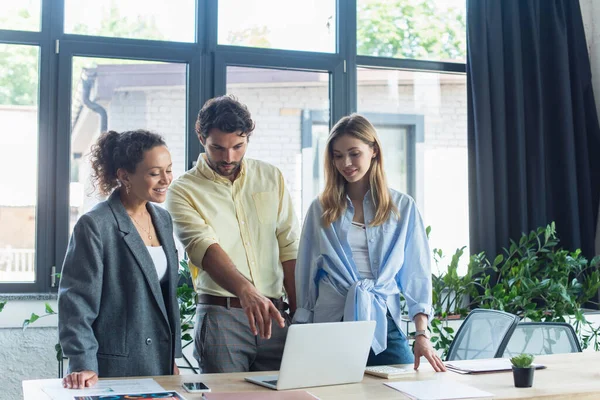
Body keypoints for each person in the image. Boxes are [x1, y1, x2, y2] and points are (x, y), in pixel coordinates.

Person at [293, 114, 446, 372]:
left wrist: (422, 334)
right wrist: (301, 329)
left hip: (382, 318)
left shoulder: (403, 207)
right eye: (338, 155)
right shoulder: (320, 208)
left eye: (354, 153)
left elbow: (416, 275)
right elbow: (306, 271)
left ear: (373, 150)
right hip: (331, 320)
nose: (346, 163)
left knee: (401, 390)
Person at [166, 95, 300, 373]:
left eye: (238, 146)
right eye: (218, 147)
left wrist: (299, 314)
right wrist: (247, 292)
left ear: (248, 138)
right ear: (201, 137)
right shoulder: (182, 190)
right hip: (221, 318)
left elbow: (289, 245)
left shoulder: (271, 176)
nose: (229, 157)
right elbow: (203, 247)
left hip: (276, 316)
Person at [58, 129, 182, 389]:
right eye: (154, 173)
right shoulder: (95, 224)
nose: (165, 180)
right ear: (125, 176)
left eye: (168, 170)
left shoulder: (163, 219)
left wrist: (171, 356)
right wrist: (82, 364)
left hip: (160, 365)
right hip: (115, 369)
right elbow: (76, 302)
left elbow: (164, 298)